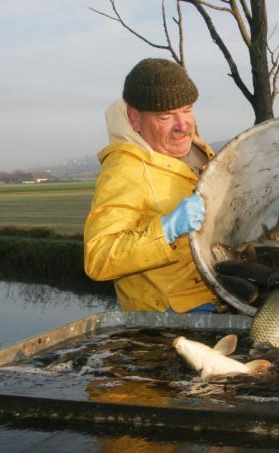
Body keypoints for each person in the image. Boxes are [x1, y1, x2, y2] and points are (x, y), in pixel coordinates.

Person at [84, 58, 218, 313]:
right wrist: (167, 229)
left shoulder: (199, 151)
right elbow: (98, 258)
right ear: (135, 119)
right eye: (165, 116)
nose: (182, 125)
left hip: (220, 294)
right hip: (170, 318)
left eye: (187, 109)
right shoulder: (125, 170)